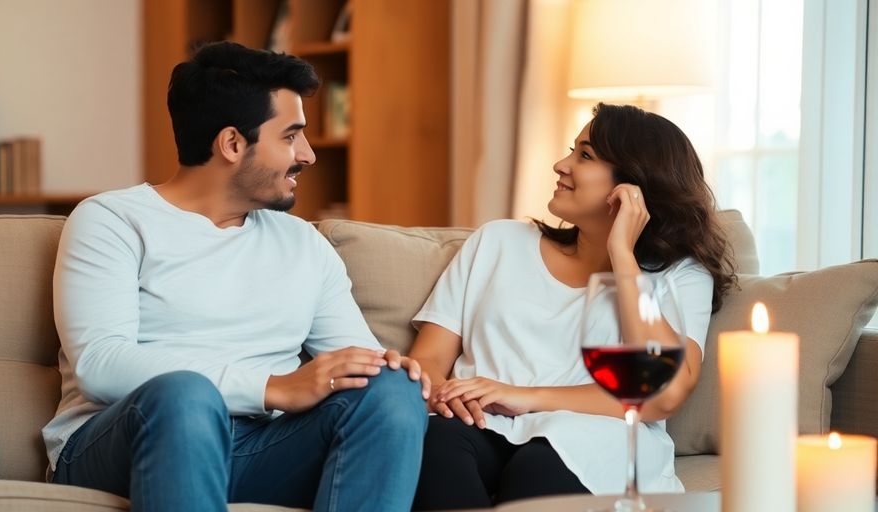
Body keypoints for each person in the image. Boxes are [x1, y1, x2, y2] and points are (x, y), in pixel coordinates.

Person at [41, 41, 430, 512]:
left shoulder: (304, 244)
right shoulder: (113, 220)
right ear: (231, 144)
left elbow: (356, 364)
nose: (307, 154)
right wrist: (272, 387)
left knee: (390, 390)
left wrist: (390, 370)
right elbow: (100, 364)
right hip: (124, 441)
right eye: (290, 136)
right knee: (185, 395)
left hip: (261, 448)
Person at [409, 103, 736, 509]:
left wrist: (622, 253)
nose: (561, 165)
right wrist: (442, 395)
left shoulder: (681, 275)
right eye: (572, 151)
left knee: (540, 469)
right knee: (434, 445)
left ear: (632, 183)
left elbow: (662, 394)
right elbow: (427, 361)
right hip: (479, 420)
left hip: (596, 434)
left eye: (585, 155)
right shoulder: (497, 242)